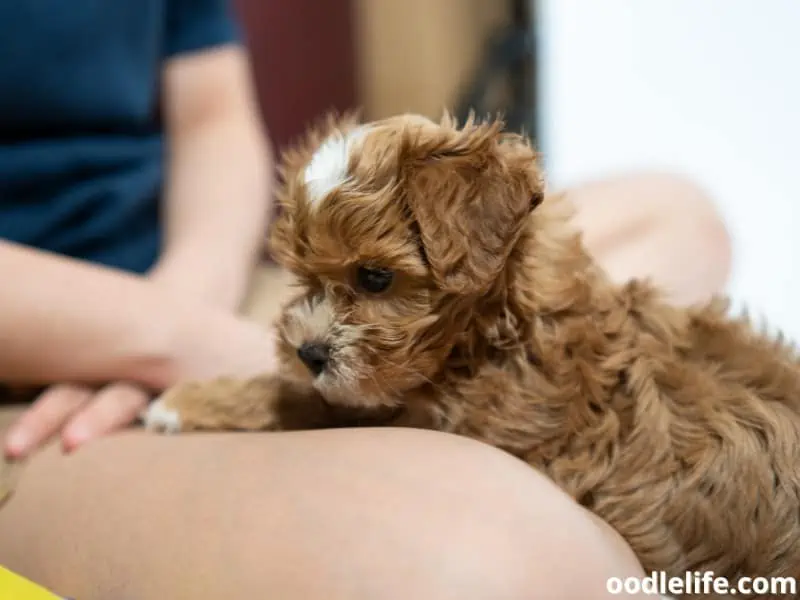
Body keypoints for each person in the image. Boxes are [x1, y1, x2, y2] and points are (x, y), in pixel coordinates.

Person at [0, 1, 732, 597]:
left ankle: (440, 420)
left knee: (677, 215)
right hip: (34, 396)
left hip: (195, 297)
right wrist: (166, 341)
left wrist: (189, 303)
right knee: (528, 561)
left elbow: (212, 120)